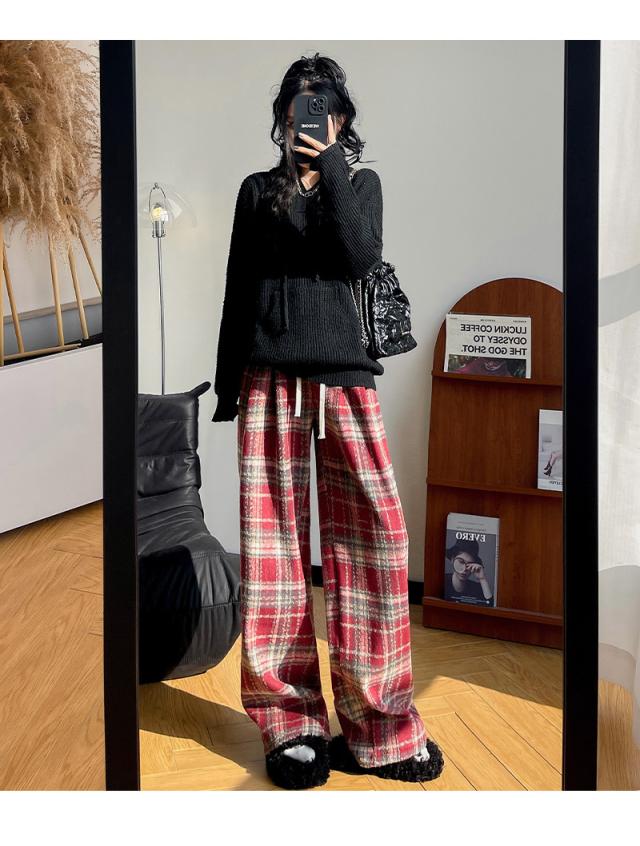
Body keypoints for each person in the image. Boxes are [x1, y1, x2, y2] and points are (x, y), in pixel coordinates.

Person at [211, 52, 444, 789]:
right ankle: (291, 723)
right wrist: (227, 385)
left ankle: (380, 726)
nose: (306, 121)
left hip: (344, 379)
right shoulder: (257, 191)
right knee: (274, 553)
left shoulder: (362, 184)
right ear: (281, 120)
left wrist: (332, 167)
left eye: (321, 109)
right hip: (270, 378)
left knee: (376, 539)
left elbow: (359, 255)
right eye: (296, 110)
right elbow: (238, 288)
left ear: (342, 119)